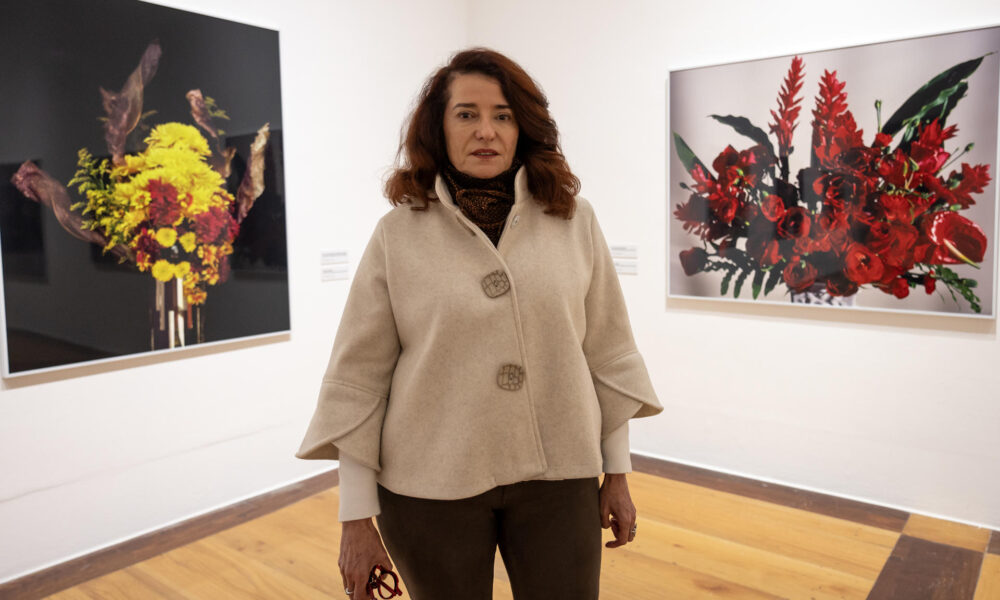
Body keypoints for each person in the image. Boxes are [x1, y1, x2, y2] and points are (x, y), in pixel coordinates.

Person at [296, 47, 662, 600]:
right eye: (466, 114)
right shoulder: (397, 236)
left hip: (560, 476)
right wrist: (354, 518)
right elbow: (359, 379)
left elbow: (606, 350)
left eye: (503, 115)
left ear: (523, 128)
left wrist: (617, 472)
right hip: (429, 485)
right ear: (438, 128)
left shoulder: (573, 219)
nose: (485, 130)